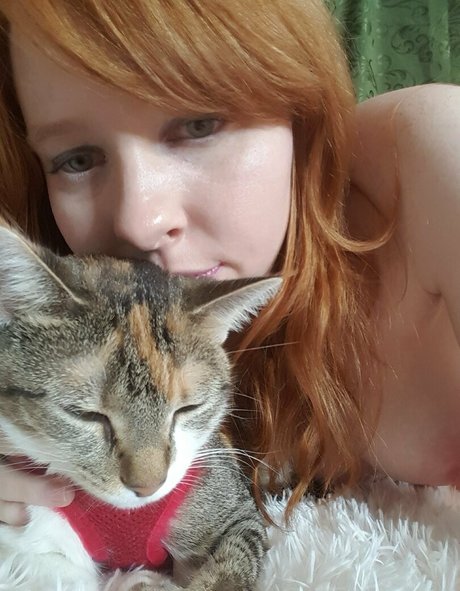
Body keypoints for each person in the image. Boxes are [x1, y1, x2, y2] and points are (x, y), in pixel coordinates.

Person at [0, 0, 459, 528]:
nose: (139, 221)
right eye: (76, 159)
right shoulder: (48, 277)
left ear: (300, 108)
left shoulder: (430, 153)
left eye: (200, 125)